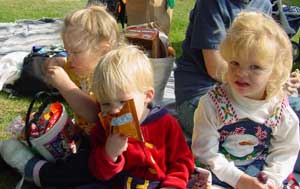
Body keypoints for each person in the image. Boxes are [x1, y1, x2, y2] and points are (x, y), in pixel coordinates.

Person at [0, 4, 123, 188]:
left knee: (80, 168)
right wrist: (53, 62)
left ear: (104, 50)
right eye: (67, 50)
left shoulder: (110, 77)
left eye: (76, 52)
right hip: (80, 138)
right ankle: (20, 158)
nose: (70, 58)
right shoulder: (82, 66)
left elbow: (94, 113)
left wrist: (65, 85)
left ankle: (34, 169)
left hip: (104, 150)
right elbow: (48, 68)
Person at [191, 12, 300, 189]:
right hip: (220, 175)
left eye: (255, 67)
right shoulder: (213, 104)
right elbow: (205, 153)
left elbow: (285, 151)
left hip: (259, 174)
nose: (241, 73)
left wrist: (272, 180)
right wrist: (240, 181)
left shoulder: (278, 109)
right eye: (235, 63)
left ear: (273, 71)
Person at [174, 0, 300, 143]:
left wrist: (280, 79)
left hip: (249, 95)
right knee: (249, 138)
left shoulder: (263, 4)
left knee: (291, 122)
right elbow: (215, 68)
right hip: (201, 93)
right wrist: (268, 82)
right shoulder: (211, 4)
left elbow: (265, 57)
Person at [89, 45, 194, 188]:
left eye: (123, 102)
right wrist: (109, 154)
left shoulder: (164, 124)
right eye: (105, 104)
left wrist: (173, 185)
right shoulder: (104, 128)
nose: (114, 110)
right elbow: (98, 173)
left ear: (147, 95)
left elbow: (182, 160)